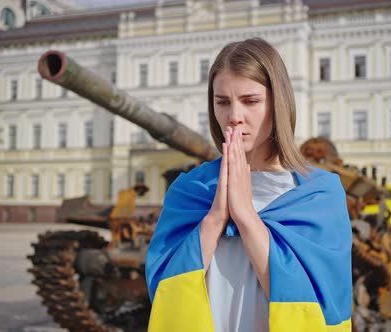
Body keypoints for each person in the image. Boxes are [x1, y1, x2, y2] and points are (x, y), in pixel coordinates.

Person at [145, 38, 352, 332]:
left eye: (250, 101)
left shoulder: (319, 195)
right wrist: (215, 218)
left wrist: (244, 215)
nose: (234, 117)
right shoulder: (191, 190)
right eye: (223, 102)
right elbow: (164, 287)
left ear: (277, 103)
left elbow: (317, 305)